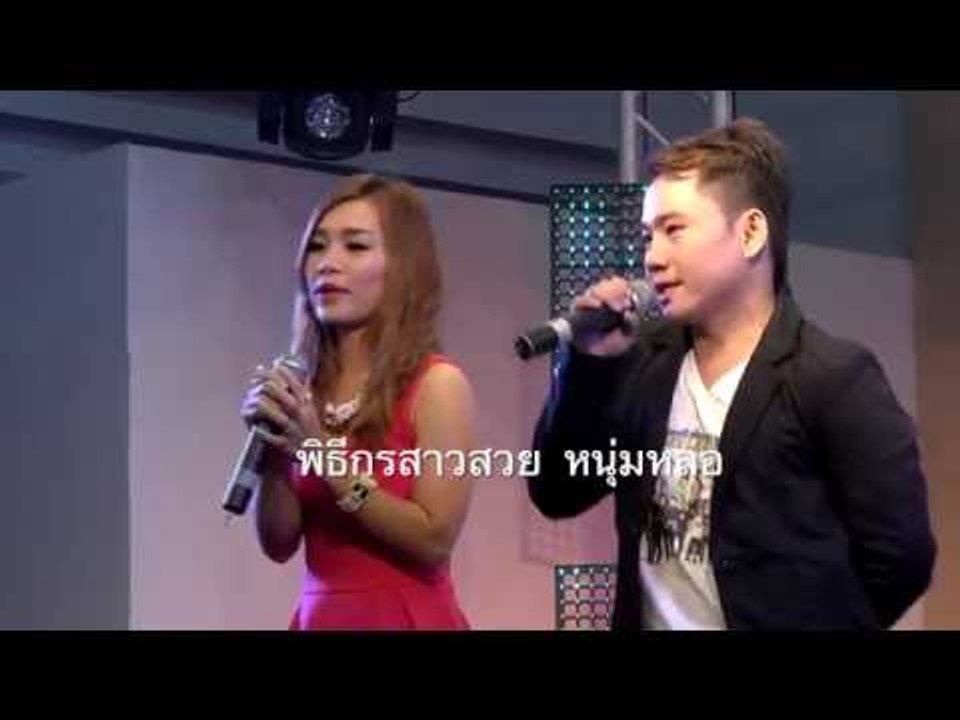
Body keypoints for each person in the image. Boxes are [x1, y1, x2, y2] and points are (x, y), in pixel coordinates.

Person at [527, 118, 936, 630]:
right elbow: (558, 492)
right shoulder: (642, 363)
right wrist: (591, 367)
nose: (653, 258)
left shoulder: (833, 377)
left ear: (750, 232)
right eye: (648, 236)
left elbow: (901, 557)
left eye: (674, 230)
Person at [241, 174, 474, 630]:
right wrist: (275, 451)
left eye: (355, 246)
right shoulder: (303, 390)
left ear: (403, 267)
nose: (328, 263)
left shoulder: (438, 385)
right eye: (317, 247)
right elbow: (278, 543)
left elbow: (432, 540)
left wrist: (321, 455)